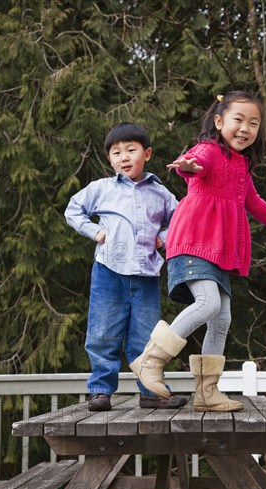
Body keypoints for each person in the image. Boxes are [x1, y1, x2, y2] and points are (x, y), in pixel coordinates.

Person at [129, 91, 266, 412]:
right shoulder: (209, 151)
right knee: (208, 303)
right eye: (238, 120)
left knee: (221, 319)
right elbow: (195, 164)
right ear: (218, 121)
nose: (245, 128)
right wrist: (188, 166)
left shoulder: (241, 165)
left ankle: (207, 393)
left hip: (218, 251)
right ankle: (150, 360)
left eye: (253, 123)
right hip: (194, 240)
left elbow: (254, 203)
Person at [65, 122, 187, 411]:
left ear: (146, 153)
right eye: (116, 153)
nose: (124, 157)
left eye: (131, 150)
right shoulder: (102, 189)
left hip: (145, 274)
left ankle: (151, 392)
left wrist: (164, 238)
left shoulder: (160, 192)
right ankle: (100, 390)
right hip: (108, 271)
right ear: (110, 159)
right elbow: (73, 209)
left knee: (146, 337)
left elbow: (183, 217)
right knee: (103, 331)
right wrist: (94, 231)